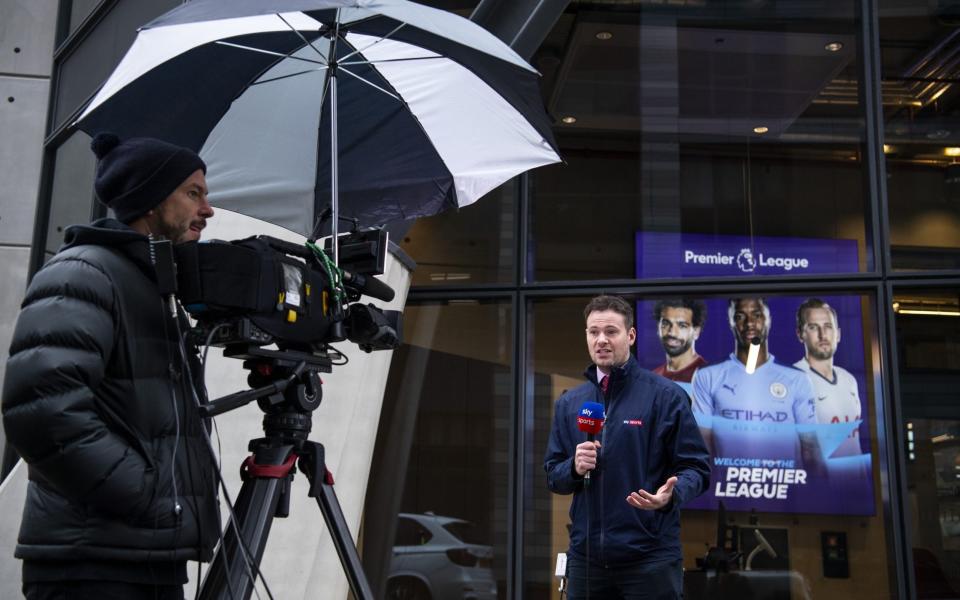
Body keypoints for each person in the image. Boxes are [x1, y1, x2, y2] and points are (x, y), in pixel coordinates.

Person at [1, 133, 219, 600]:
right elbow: (41, 412)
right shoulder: (84, 272)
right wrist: (143, 493)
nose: (208, 209)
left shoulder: (155, 288)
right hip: (93, 564)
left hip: (147, 555)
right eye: (194, 193)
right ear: (150, 201)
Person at [544, 295, 710, 600]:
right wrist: (573, 467)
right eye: (594, 332)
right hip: (587, 559)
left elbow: (697, 468)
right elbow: (554, 475)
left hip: (650, 558)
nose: (601, 340)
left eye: (611, 331)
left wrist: (672, 494)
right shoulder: (570, 403)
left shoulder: (665, 396)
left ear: (630, 336)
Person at [691, 298, 823, 472]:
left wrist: (818, 495)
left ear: (769, 320)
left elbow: (811, 449)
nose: (750, 323)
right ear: (731, 323)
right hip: (728, 492)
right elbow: (703, 449)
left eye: (757, 315)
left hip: (785, 492)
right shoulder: (707, 376)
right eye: (740, 316)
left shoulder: (796, 379)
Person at [793, 298, 862, 457]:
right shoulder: (793, 379)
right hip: (820, 480)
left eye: (828, 327)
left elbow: (854, 444)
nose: (822, 335)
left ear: (837, 334)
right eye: (813, 327)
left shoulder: (849, 380)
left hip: (854, 480)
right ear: (800, 334)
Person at [651, 299, 708, 395]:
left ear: (696, 332)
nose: (672, 332)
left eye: (682, 326)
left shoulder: (708, 377)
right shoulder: (653, 377)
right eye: (665, 323)